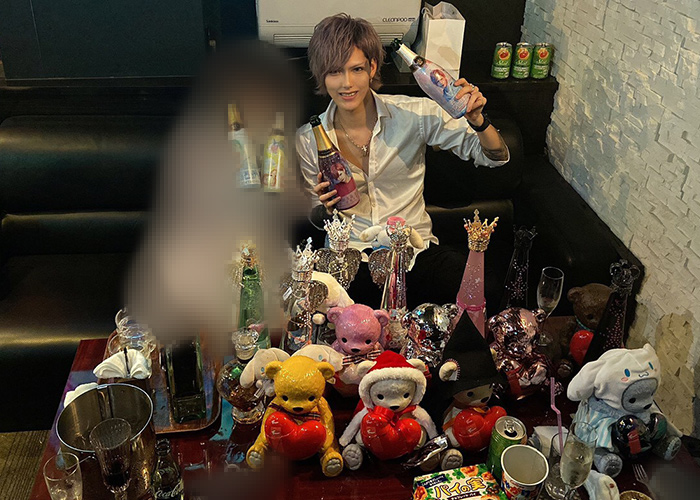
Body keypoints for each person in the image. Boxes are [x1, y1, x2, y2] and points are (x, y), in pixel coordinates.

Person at [296, 14, 510, 308]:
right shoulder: (309, 138)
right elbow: (315, 216)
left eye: (356, 69)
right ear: (322, 75)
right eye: (334, 72)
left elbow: (494, 157)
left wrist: (478, 120)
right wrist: (324, 207)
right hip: (350, 259)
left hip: (414, 252)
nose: (346, 83)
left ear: (372, 67)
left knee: (482, 288)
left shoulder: (415, 114)